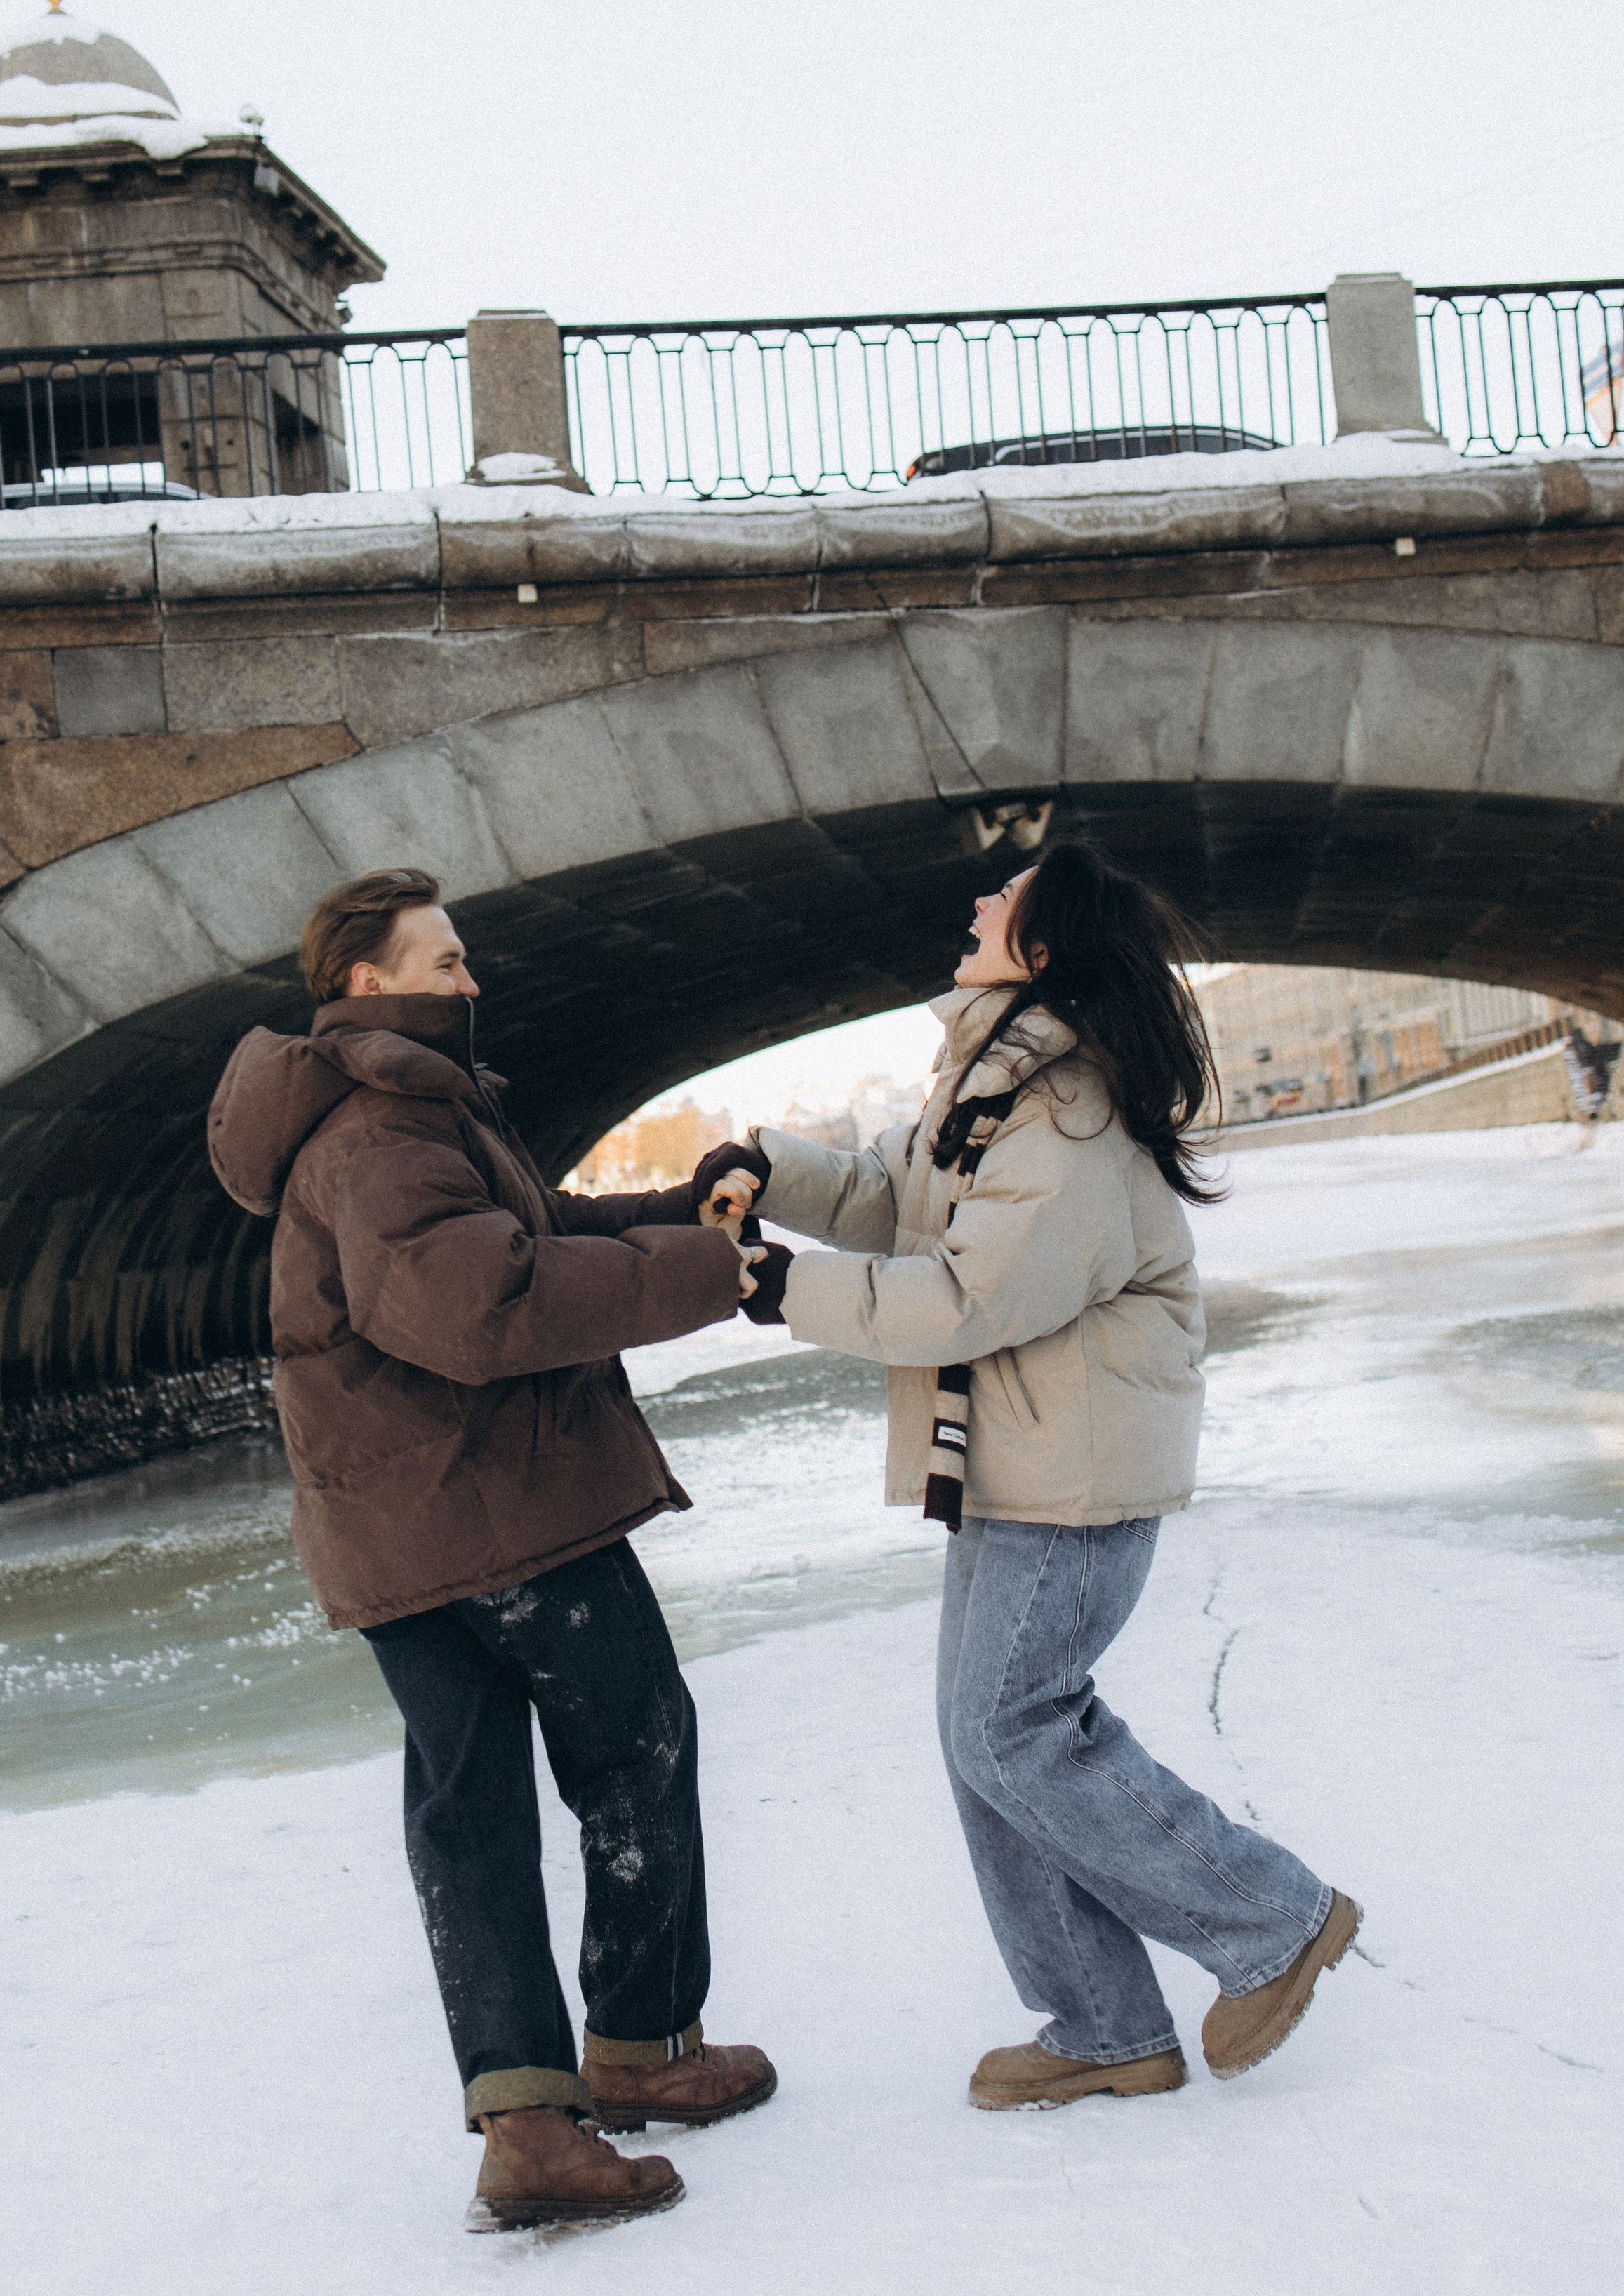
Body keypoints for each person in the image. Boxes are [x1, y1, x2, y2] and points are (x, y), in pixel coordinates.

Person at [695, 840, 1359, 2109]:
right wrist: (772, 1174)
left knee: (1012, 1731)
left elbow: (967, 1296)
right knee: (987, 1742)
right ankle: (1105, 2025)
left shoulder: (1068, 1115)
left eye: (1004, 897)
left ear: (1042, 951)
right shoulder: (995, 1081)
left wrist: (784, 1289)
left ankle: (1273, 1920)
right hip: (1015, 1461)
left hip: (1074, 1475)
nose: (978, 901)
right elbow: (901, 1200)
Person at [207, 868, 778, 2232]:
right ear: (367, 982)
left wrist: (680, 1215)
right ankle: (635, 2050)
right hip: (491, 1507)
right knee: (636, 1748)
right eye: (445, 960)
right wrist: (712, 1278)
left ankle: (533, 2120)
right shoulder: (383, 1123)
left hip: (397, 1527)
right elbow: (483, 1302)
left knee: (470, 1808)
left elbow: (532, 1229)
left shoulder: (402, 1110)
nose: (472, 979)